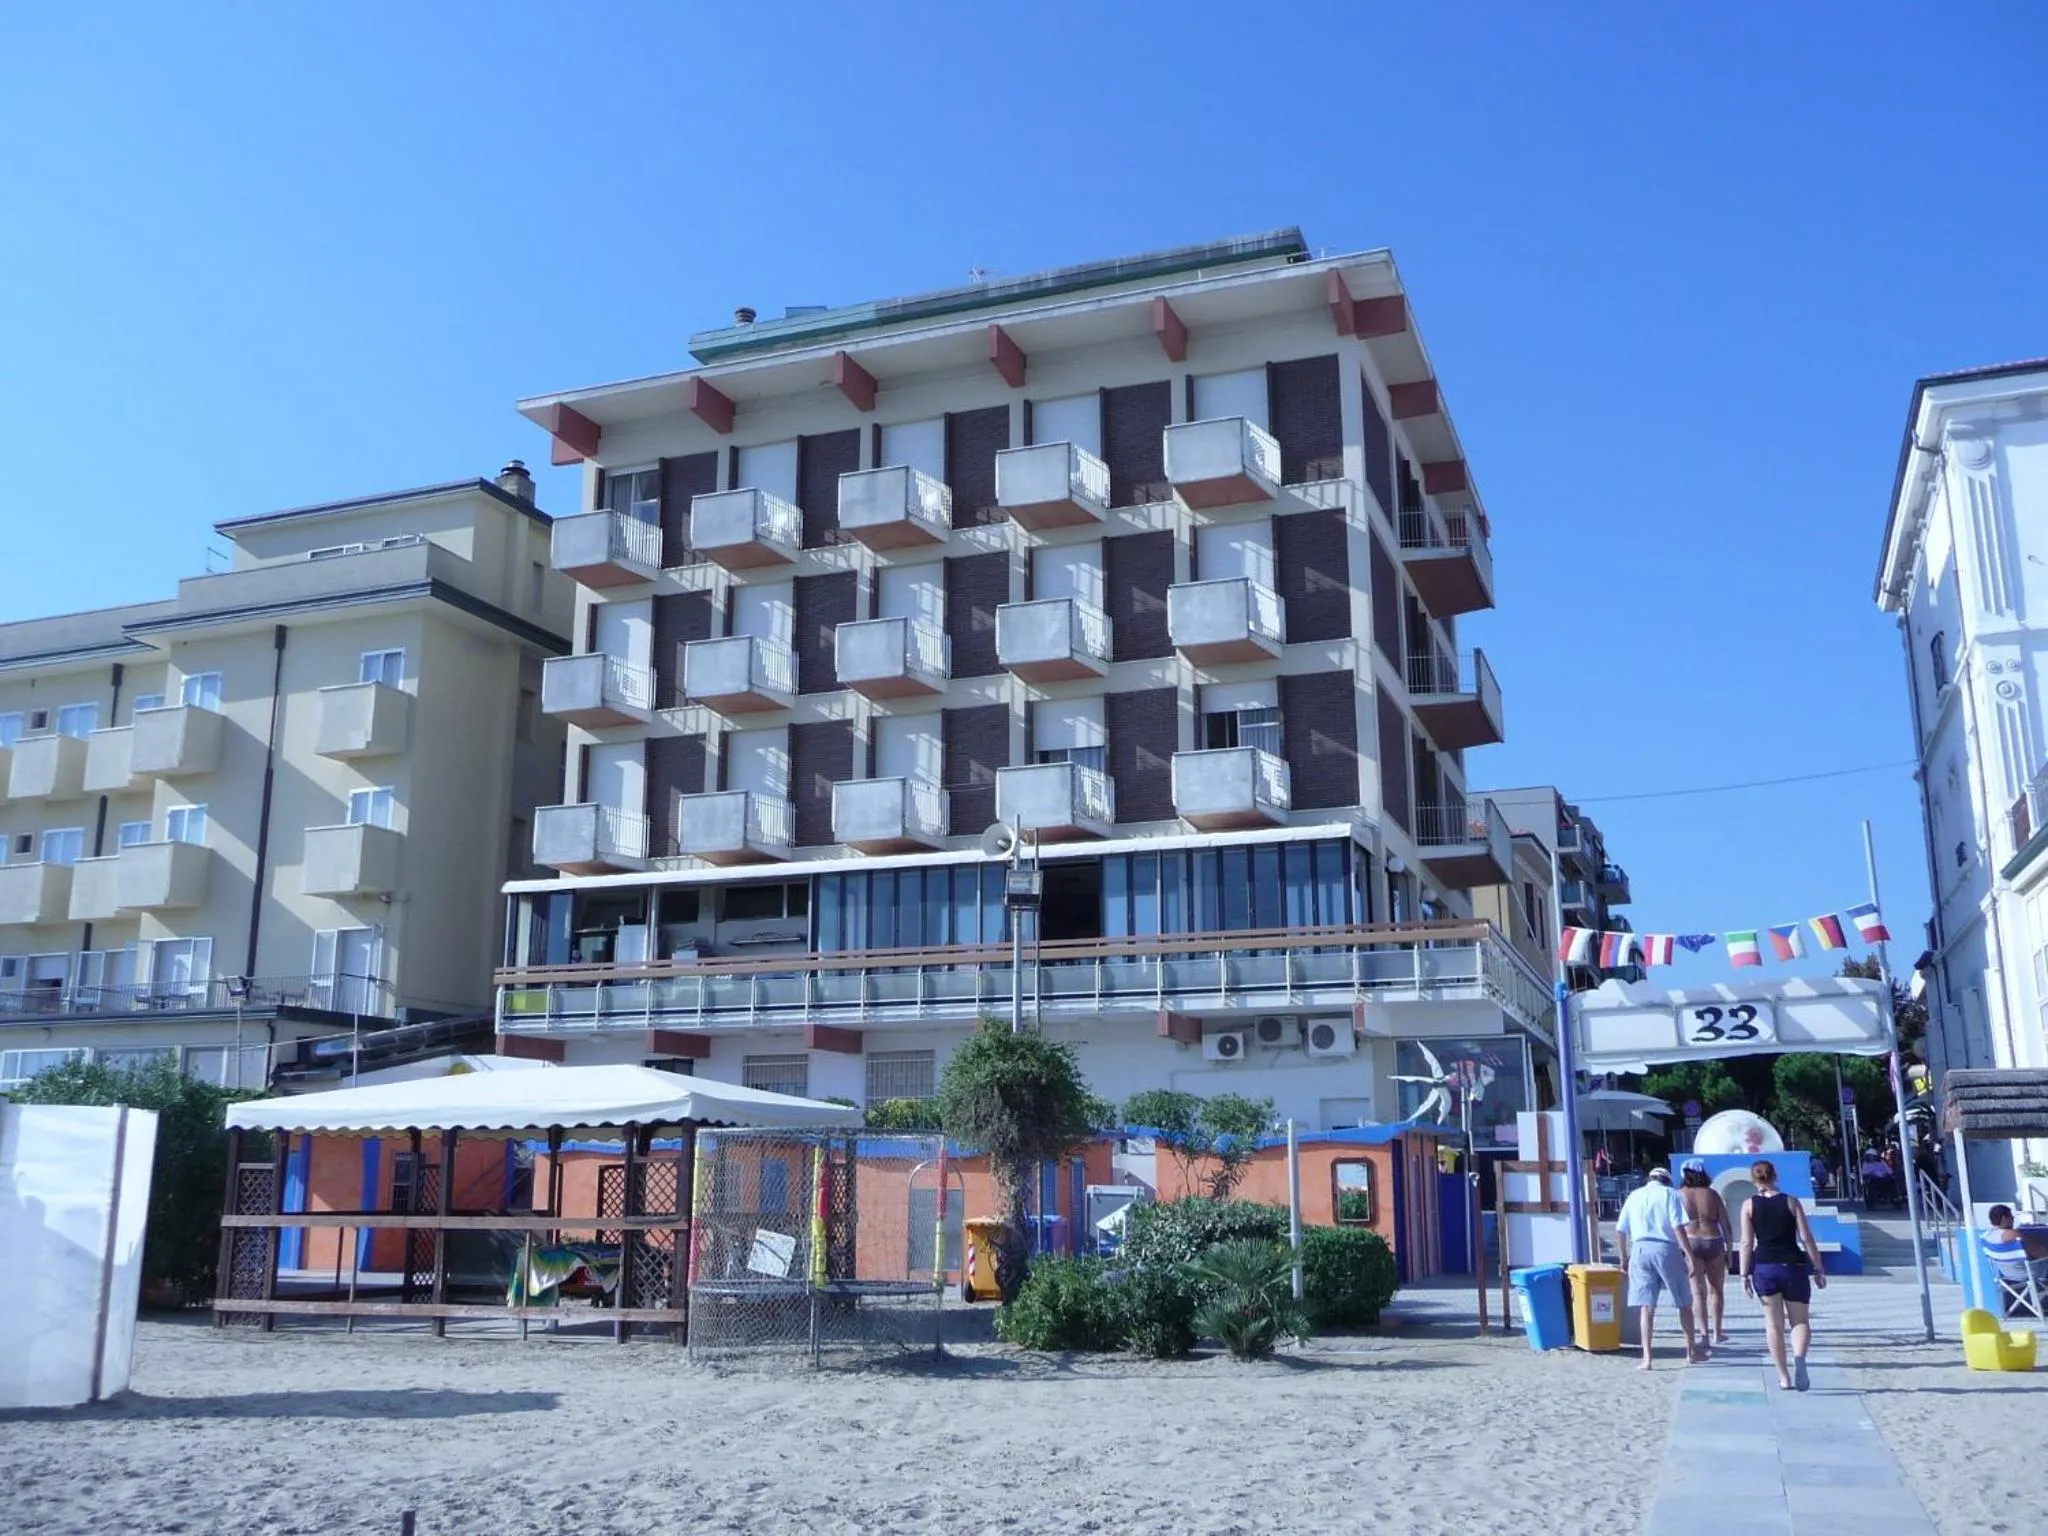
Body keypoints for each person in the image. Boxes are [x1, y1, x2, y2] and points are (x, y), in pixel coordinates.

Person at [1739, 1158, 1829, 1391]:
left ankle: (1783, 1377)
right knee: (1799, 1321)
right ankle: (1799, 1358)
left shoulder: (1748, 1205)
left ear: (1753, 1179)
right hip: (1793, 1266)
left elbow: (1747, 1242)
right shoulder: (1791, 1202)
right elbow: (1806, 1238)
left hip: (1765, 1267)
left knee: (1773, 1324)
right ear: (1774, 1176)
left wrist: (1743, 1274)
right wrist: (1818, 1268)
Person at [1616, 1164, 1699, 1369]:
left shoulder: (1634, 1195)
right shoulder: (1670, 1194)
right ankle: (1691, 1353)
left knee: (1647, 1307)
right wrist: (1689, 1255)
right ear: (1667, 1181)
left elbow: (1620, 1229)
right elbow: (1677, 1226)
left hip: (1640, 1250)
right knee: (1683, 1302)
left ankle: (1647, 1358)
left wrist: (1623, 1257)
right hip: (1665, 1248)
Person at [1678, 1158, 1732, 1350]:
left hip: (1691, 1241)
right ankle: (1717, 1332)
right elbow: (1726, 1225)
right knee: (1716, 1289)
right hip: (1713, 1240)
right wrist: (1730, 1250)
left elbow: (1675, 1225)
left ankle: (1704, 1335)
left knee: (1697, 1292)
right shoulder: (1713, 1195)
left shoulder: (1679, 1195)